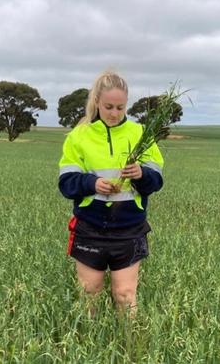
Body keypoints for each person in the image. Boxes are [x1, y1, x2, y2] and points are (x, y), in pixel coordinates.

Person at [58, 70, 164, 315]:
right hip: (89, 227)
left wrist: (141, 175)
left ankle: (131, 347)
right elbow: (66, 183)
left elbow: (156, 180)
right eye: (109, 107)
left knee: (125, 295)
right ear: (96, 102)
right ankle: (87, 346)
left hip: (129, 227)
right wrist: (92, 184)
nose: (115, 113)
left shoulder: (141, 135)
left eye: (120, 107)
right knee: (89, 294)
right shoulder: (78, 136)